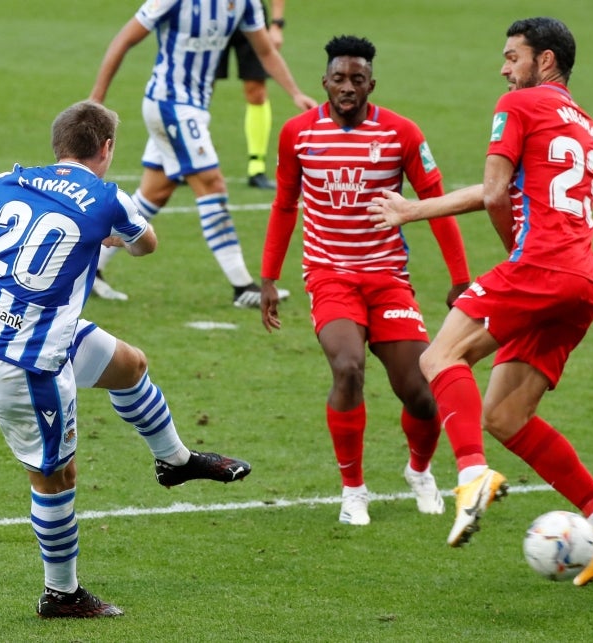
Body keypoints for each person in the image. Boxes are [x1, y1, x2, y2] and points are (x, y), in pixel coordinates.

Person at [0, 100, 252, 618]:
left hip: (6, 328)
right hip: (25, 364)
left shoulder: (14, 180)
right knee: (55, 477)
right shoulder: (109, 198)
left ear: (57, 146)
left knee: (129, 365)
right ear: (106, 148)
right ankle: (61, 593)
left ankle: (175, 462)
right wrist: (111, 233)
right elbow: (146, 245)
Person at [368, 17, 593, 585]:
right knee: (505, 415)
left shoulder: (517, 106)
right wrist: (413, 210)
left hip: (541, 267)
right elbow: (516, 192)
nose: (503, 67)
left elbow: (495, 193)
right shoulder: (582, 121)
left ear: (544, 61)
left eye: (512, 56)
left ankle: (471, 476)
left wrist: (510, 259)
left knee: (437, 358)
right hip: (583, 281)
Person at [260, 35, 472, 526]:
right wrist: (268, 278)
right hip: (330, 276)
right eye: (339, 79)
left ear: (371, 83)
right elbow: (284, 205)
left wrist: (461, 278)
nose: (348, 87)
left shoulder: (401, 133)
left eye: (358, 79)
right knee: (348, 367)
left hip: (388, 279)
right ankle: (353, 490)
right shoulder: (297, 134)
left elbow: (436, 207)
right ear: (325, 83)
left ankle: (419, 470)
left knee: (421, 391)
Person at [88, 0, 316, 307]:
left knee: (156, 191)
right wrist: (97, 98)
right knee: (212, 184)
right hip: (169, 103)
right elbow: (124, 39)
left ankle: (92, 264)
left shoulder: (245, 4)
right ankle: (243, 286)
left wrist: (295, 92)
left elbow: (265, 51)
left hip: (193, 108)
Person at [215, 0, 286, 190]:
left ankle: (257, 168)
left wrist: (277, 23)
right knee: (201, 88)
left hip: (248, 12)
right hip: (210, 14)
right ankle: (183, 161)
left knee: (257, 91)